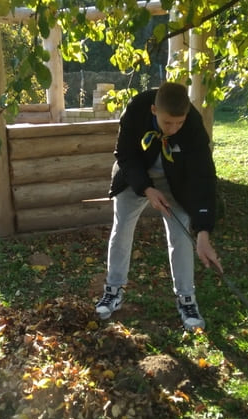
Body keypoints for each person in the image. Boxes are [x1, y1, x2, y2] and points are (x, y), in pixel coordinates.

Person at [95, 82, 223, 330]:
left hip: (174, 181)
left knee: (181, 233)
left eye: (179, 123)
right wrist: (146, 188)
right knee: (122, 228)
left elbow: (204, 177)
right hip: (135, 176)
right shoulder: (136, 109)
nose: (173, 129)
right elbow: (124, 154)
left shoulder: (193, 125)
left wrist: (204, 232)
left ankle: (187, 299)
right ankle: (113, 290)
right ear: (154, 110)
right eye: (167, 123)